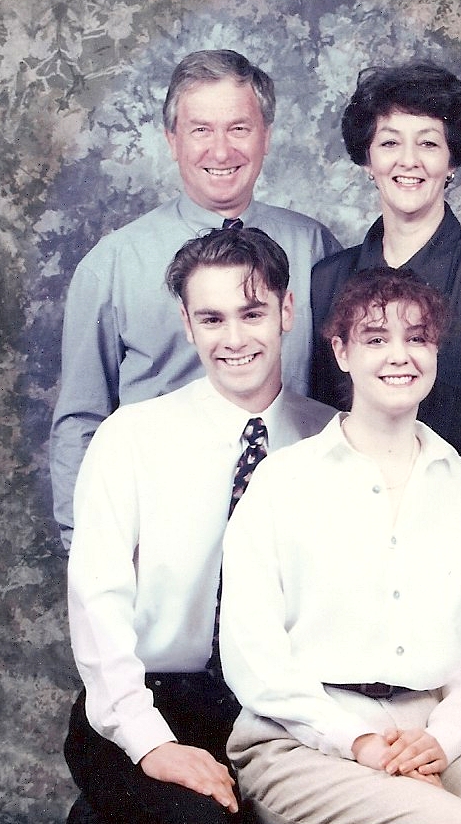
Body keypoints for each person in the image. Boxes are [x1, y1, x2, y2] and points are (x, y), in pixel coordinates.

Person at [220, 268, 461, 824]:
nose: (400, 356)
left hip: (428, 730)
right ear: (342, 352)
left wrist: (442, 740)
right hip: (298, 734)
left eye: (417, 338)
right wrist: (357, 742)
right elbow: (254, 654)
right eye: (376, 339)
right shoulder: (282, 482)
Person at [309, 61, 461, 808]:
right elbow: (322, 434)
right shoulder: (327, 281)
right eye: (390, 141)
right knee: (376, 790)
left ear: (453, 160)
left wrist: (456, 575)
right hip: (354, 569)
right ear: (366, 155)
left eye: (429, 142)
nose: (408, 160)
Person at [64, 227, 336, 824]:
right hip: (147, 699)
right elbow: (96, 603)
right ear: (187, 325)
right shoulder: (131, 437)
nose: (234, 338)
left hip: (277, 710)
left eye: (253, 313)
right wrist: (151, 743)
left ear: (287, 311)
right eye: (211, 319)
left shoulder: (333, 439)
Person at [50, 48, 341, 551]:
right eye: (201, 129)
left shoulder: (316, 250)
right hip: (162, 533)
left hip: (296, 527)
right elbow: (81, 420)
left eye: (239, 128)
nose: (221, 150)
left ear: (266, 136)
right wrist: (92, 552)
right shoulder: (113, 265)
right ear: (172, 140)